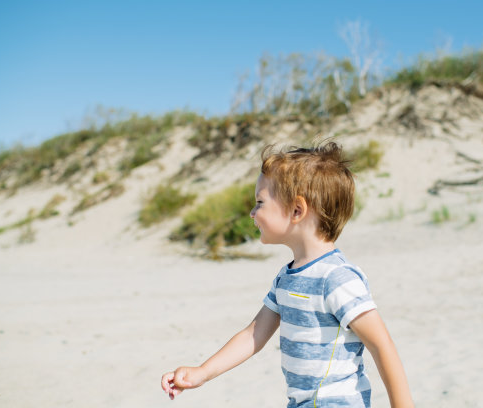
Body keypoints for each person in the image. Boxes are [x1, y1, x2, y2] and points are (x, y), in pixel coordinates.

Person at [161, 142, 414, 407]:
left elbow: (380, 344)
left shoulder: (337, 277)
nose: (252, 212)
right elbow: (253, 335)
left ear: (296, 211)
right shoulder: (287, 277)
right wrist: (202, 373)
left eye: (260, 202)